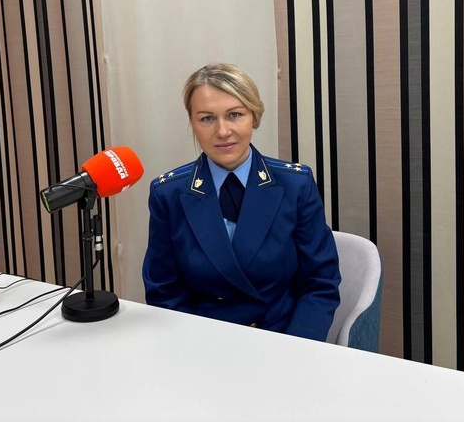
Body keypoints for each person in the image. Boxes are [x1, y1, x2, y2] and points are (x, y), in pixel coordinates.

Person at [142, 63, 341, 342]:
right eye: (207, 118)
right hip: (202, 344)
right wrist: (194, 349)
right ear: (193, 124)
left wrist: (297, 348)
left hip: (281, 341)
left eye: (234, 115)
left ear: (254, 116)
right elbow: (164, 292)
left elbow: (320, 283)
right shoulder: (168, 195)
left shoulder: (296, 185)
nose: (223, 131)